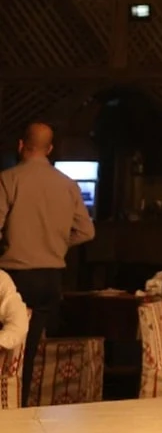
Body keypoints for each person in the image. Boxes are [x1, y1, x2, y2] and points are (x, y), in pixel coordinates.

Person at [0, 122, 95, 400]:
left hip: (14, 274)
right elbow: (87, 231)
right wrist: (54, 243)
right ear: (50, 149)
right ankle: (21, 402)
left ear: (20, 145)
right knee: (27, 352)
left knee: (10, 346)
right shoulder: (67, 185)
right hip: (50, 278)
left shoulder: (9, 179)